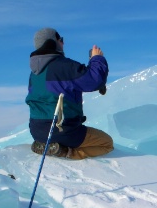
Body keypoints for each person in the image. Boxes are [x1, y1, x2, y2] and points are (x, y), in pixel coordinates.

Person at [26, 27, 113, 160]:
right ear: (51, 43)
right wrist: (97, 58)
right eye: (60, 39)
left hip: (37, 131)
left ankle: (46, 144)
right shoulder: (63, 66)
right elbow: (94, 80)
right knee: (106, 143)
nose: (63, 43)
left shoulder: (34, 74)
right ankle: (65, 152)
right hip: (63, 131)